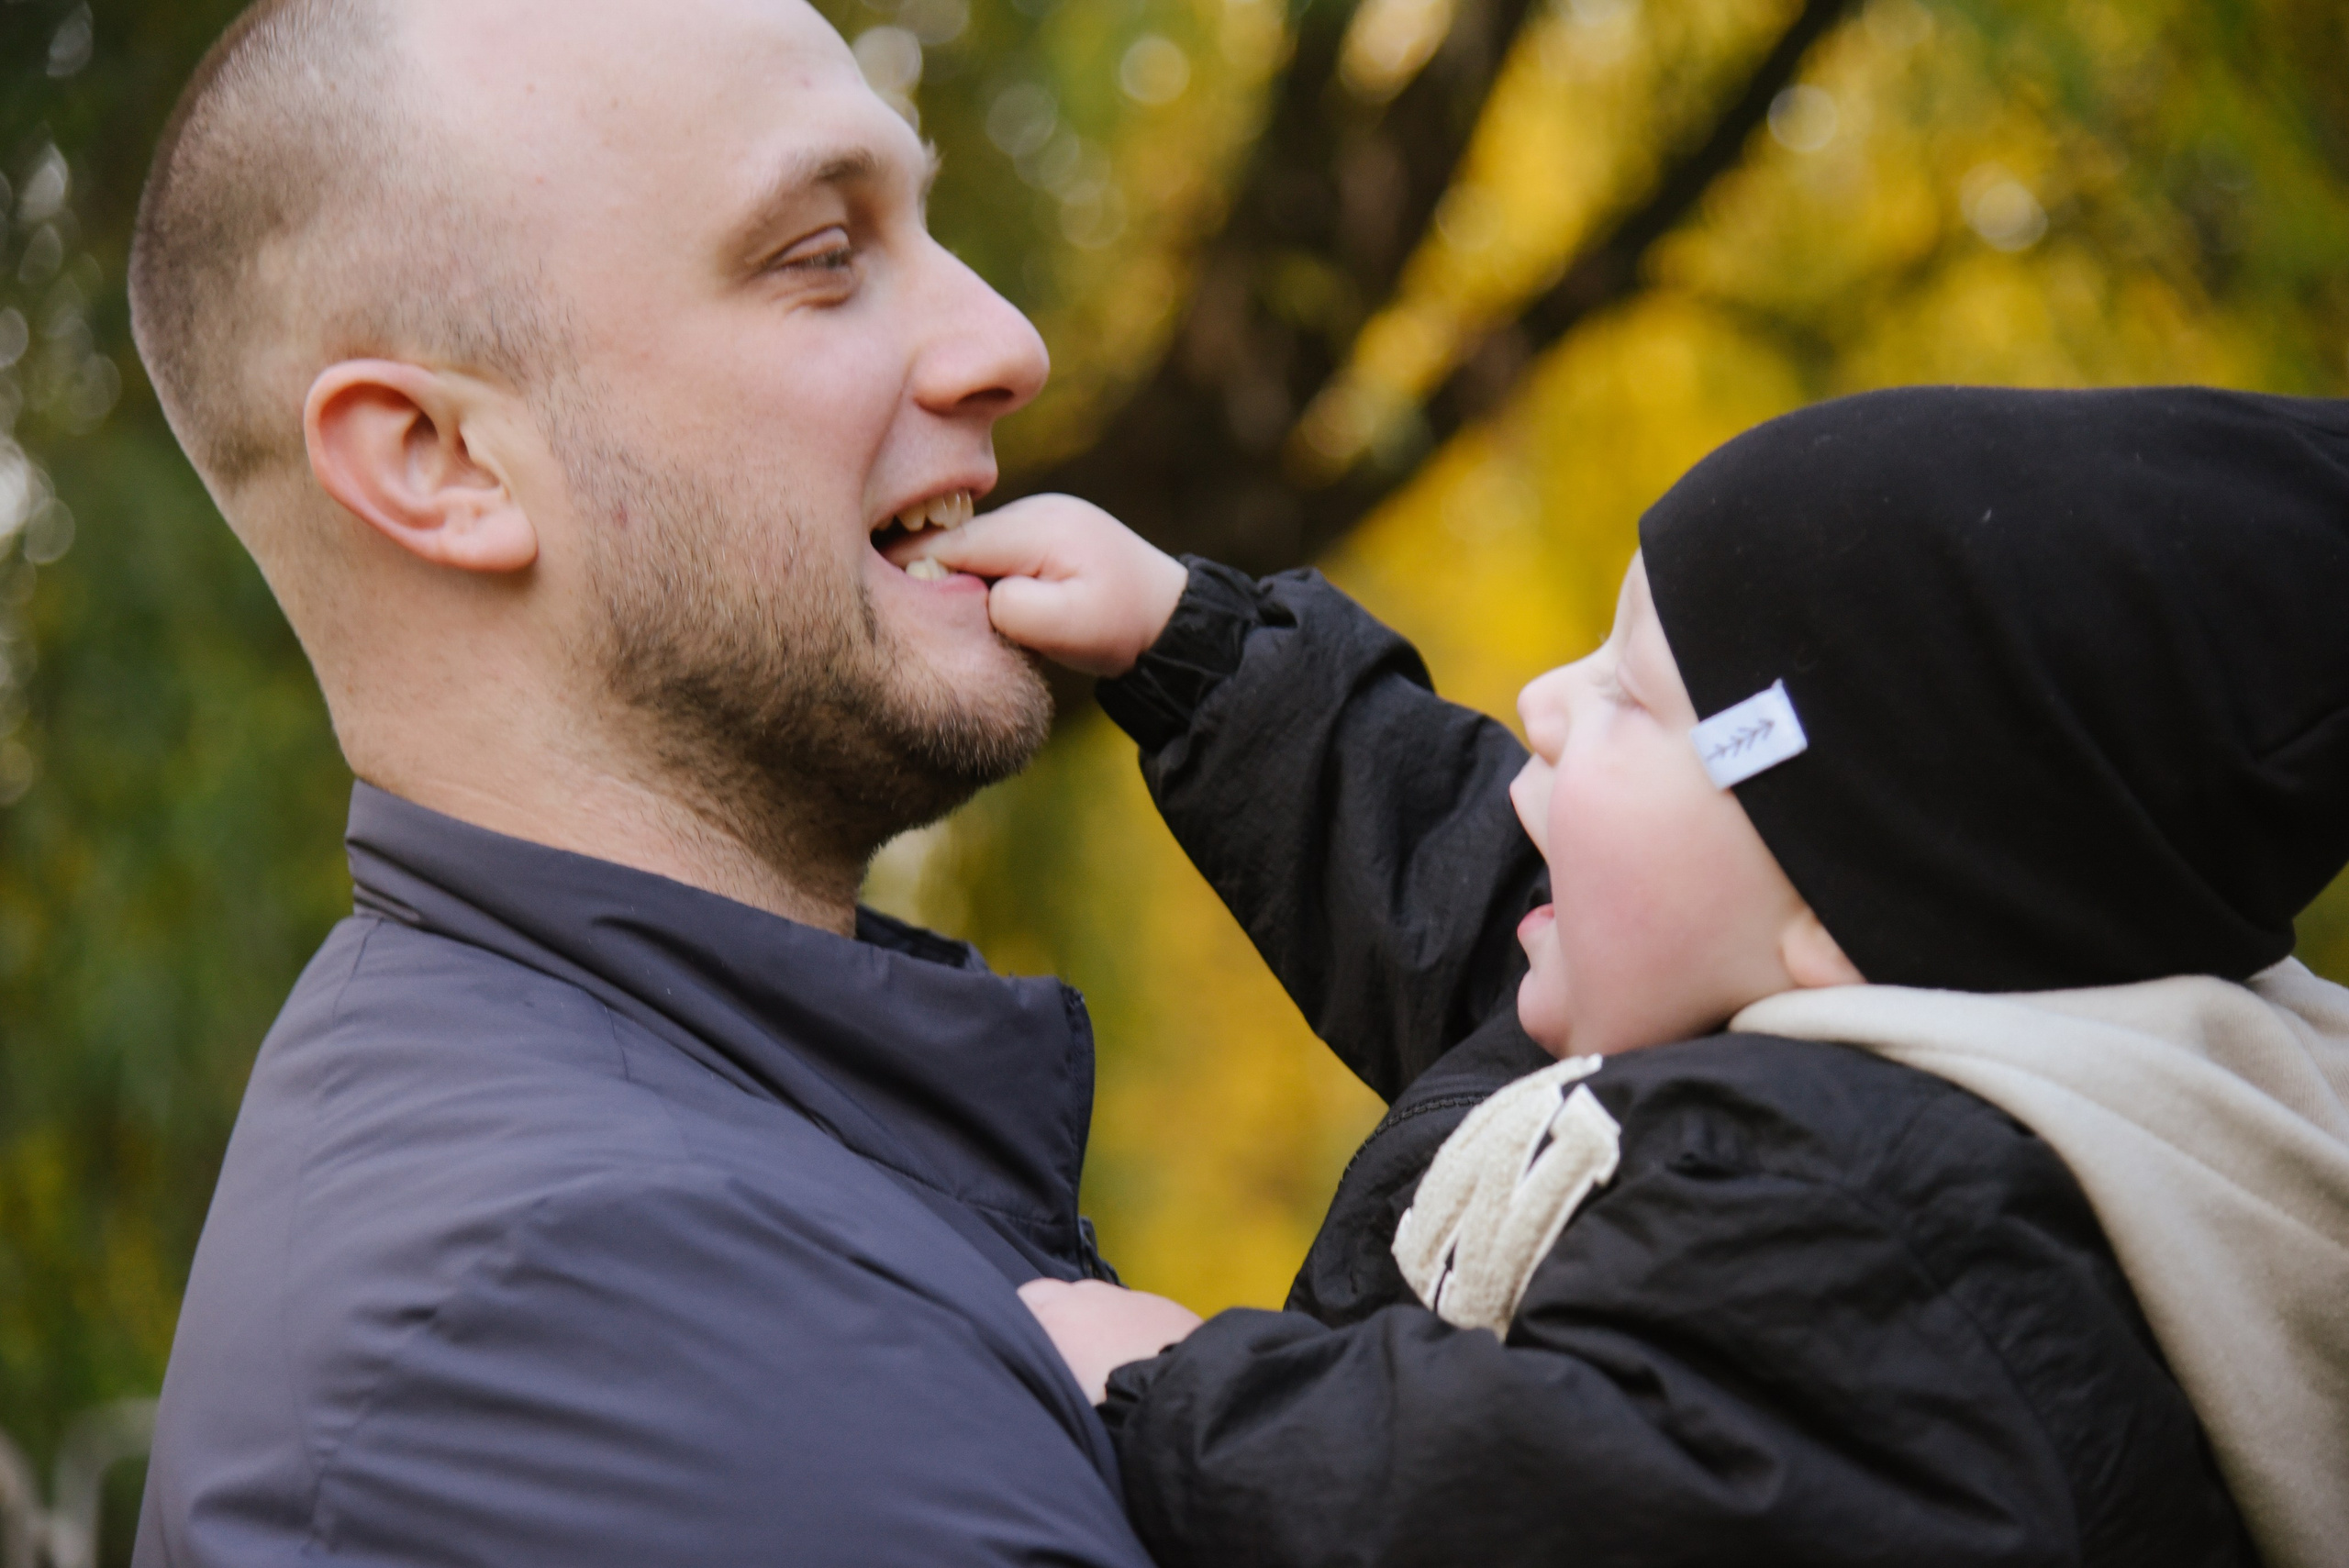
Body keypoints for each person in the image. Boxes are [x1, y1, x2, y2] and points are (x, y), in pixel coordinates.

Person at [910, 384, 2349, 1568]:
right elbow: (1459, 882)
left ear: (1841, 908)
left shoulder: (1884, 1258)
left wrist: (1174, 1390)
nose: (1544, 699)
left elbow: (1497, 1511)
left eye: (1632, 691)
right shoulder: (1725, 1008)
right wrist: (1197, 646)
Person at [123, 0, 1156, 1561]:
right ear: (439, 462)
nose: (1007, 344)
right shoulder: (569, 1296)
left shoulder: (683, 1162)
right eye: (824, 254)